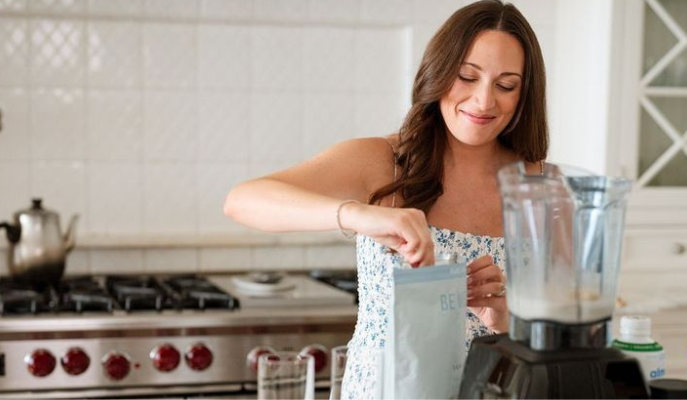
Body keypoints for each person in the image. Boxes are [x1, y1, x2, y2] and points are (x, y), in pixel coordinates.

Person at [224, 0, 547, 397]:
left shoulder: (544, 185)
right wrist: (358, 215)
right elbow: (243, 200)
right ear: (439, 71)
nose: (483, 101)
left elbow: (567, 343)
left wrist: (508, 319)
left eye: (506, 85)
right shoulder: (384, 162)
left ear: (524, 94)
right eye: (467, 76)